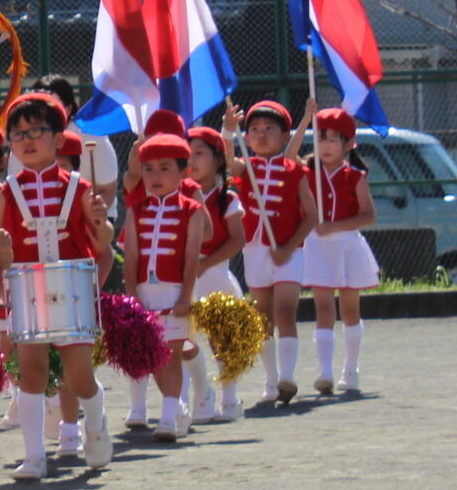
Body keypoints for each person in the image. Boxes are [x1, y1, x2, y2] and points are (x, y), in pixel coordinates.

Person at [0, 91, 115, 481]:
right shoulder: (7, 192)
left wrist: (102, 221)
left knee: (78, 376)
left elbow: (103, 244)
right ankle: (35, 455)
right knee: (32, 372)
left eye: (37, 131)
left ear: (58, 139)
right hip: (27, 290)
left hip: (71, 290)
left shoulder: (79, 187)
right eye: (18, 134)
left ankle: (96, 419)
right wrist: (0, 249)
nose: (27, 140)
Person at [122, 132, 209, 442]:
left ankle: (169, 415)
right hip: (144, 294)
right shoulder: (136, 210)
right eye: (148, 169)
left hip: (175, 294)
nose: (155, 176)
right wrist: (132, 298)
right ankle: (177, 406)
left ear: (184, 172)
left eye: (164, 168)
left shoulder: (192, 211)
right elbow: (131, 257)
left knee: (170, 355)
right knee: (154, 358)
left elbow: (191, 258)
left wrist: (185, 296)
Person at [233, 99, 317, 407]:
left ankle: (288, 376)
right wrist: (229, 130)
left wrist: (288, 248)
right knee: (261, 318)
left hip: (288, 252)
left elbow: (311, 216)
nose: (261, 134)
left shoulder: (295, 171)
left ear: (285, 137)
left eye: (270, 129)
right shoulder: (247, 168)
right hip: (255, 251)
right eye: (254, 129)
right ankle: (271, 381)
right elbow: (229, 163)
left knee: (285, 311)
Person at [299, 108, 379, 394]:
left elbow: (369, 215)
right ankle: (324, 371)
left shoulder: (355, 176)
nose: (326, 146)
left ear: (348, 145)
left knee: (349, 309)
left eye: (334, 140)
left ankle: (351, 368)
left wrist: (335, 226)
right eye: (321, 139)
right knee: (322, 309)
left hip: (346, 246)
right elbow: (286, 161)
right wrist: (305, 121)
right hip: (317, 247)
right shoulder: (305, 173)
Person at [184, 125, 249, 423]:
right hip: (184, 276)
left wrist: (206, 263)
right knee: (185, 340)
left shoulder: (227, 198)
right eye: (188, 154)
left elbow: (238, 239)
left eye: (199, 153)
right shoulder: (180, 197)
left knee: (222, 340)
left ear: (218, 160)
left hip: (216, 274)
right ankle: (197, 399)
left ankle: (230, 397)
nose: (192, 160)